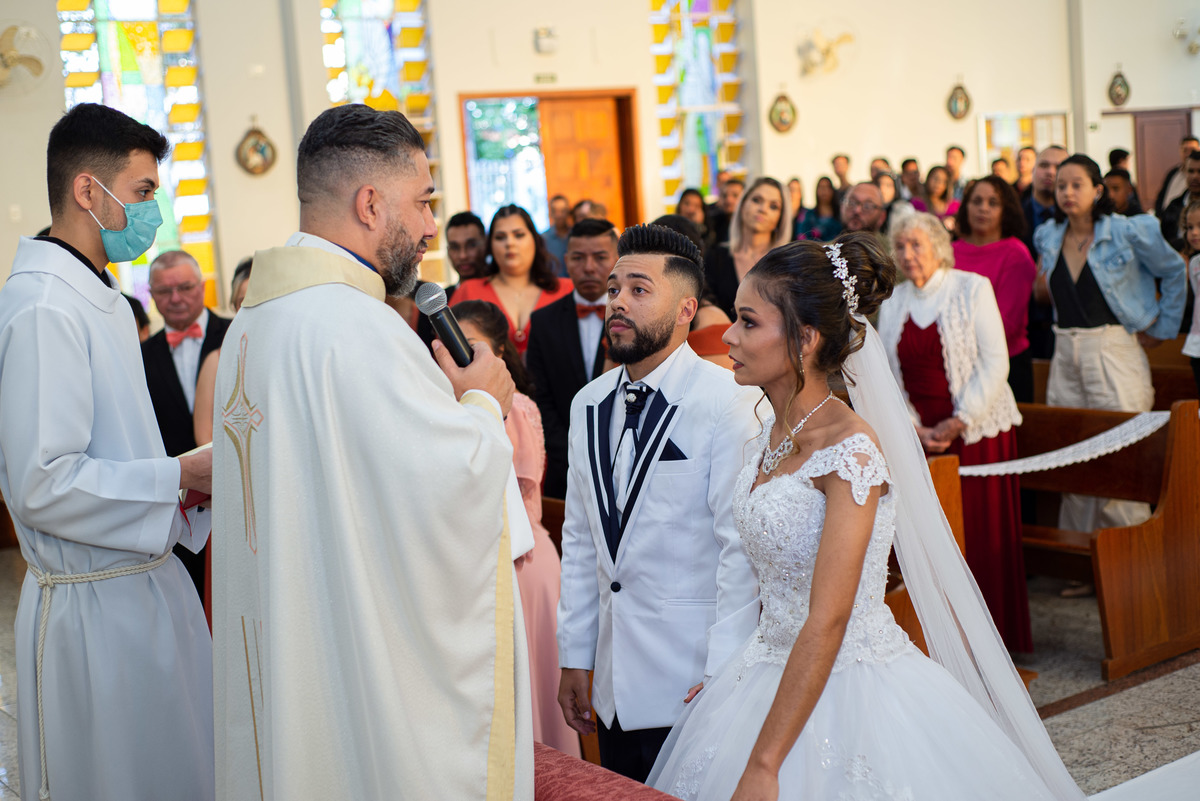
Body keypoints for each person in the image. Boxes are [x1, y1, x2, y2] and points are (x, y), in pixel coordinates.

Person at [647, 232, 1084, 801]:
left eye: (748, 322)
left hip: (850, 677)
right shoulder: (768, 434)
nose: (728, 335)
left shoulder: (849, 451)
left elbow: (829, 618)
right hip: (763, 665)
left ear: (805, 338)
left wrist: (765, 764)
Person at [211, 104, 532, 799]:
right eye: (422, 202)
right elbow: (445, 490)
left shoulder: (251, 323)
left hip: (293, 633)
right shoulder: (357, 327)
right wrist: (483, 403)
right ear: (369, 203)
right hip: (351, 655)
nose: (429, 227)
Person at [0, 102, 214, 801]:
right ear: (89, 191)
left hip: (143, 587)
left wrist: (188, 486)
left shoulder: (101, 297)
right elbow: (41, 482)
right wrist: (178, 474)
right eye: (143, 191)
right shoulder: (43, 306)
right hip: (92, 612)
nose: (152, 210)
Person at [557, 224, 760, 783]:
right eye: (614, 288)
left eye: (638, 290)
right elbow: (580, 538)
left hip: (690, 679)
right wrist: (575, 654)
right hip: (612, 684)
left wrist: (724, 671)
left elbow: (738, 549)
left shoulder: (727, 401)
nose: (617, 301)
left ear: (685, 309)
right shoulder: (587, 403)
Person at [882, 213, 1031, 652]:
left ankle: (992, 639)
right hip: (921, 436)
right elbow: (887, 373)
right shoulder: (894, 301)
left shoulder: (971, 288)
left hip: (977, 433)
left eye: (917, 244)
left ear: (938, 246)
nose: (908, 254)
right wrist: (914, 426)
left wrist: (960, 419)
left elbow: (995, 362)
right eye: (901, 246)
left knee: (979, 534)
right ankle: (944, 638)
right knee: (934, 537)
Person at [1033, 154, 1185, 550]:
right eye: (1061, 185)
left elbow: (1174, 270)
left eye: (1076, 184)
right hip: (1065, 351)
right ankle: (1079, 560)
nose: (1067, 192)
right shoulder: (1048, 234)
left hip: (1113, 349)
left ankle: (1129, 562)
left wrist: (1162, 329)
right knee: (1072, 457)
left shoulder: (1127, 230)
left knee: (1121, 456)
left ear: (1097, 190)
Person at [453, 299, 582, 758]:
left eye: (469, 346)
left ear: (500, 353)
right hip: (481, 563)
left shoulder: (517, 409)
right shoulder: (449, 409)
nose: (457, 356)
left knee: (531, 690)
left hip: (521, 562)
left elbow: (516, 489)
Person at [141, 249, 230, 598]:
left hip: (237, 493)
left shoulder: (236, 334)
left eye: (185, 287)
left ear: (202, 286)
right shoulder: (141, 356)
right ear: (151, 295)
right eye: (164, 291)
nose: (175, 298)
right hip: (178, 508)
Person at [526, 218, 619, 500]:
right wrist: (571, 454)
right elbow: (539, 398)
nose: (589, 267)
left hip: (624, 465)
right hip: (564, 470)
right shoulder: (543, 321)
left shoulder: (635, 317)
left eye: (600, 257)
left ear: (617, 259)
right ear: (566, 260)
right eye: (578, 258)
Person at [953, 176, 1038, 402]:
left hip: (1005, 365)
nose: (983, 208)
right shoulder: (949, 252)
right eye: (976, 201)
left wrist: (953, 337)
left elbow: (1007, 323)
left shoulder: (1016, 253)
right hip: (955, 365)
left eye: (993, 203)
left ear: (1006, 210)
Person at [451, 204, 573, 354]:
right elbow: (446, 349)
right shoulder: (468, 291)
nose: (509, 243)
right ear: (490, 245)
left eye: (519, 235)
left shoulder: (566, 290)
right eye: (500, 237)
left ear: (535, 239)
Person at [705, 177, 792, 318]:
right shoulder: (714, 257)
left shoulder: (787, 265)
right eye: (756, 200)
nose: (763, 209)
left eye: (773, 206)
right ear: (742, 204)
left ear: (780, 218)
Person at [1021, 145, 1068, 360]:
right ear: (1033, 170)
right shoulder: (1013, 215)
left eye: (1058, 166)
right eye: (1044, 165)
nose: (1050, 172)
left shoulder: (1079, 221)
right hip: (1024, 324)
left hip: (1066, 326)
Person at [1160, 149, 1200, 253]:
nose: (1195, 177)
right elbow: (1163, 241)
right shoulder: (1174, 206)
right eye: (1191, 171)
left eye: (1199, 172)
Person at [1153, 135, 1200, 217]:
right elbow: (1161, 198)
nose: (1188, 154)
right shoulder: (1173, 173)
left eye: (1192, 150)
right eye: (1185, 150)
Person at [1181, 200, 1200, 394]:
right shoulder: (1195, 263)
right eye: (1190, 227)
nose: (1194, 233)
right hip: (1197, 345)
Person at [793, 176, 844, 242]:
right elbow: (801, 237)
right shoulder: (808, 215)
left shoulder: (840, 215)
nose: (824, 191)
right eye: (821, 187)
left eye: (827, 187)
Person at [911, 165, 959, 229]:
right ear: (928, 179)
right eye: (936, 178)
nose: (938, 183)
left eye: (943, 181)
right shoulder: (917, 204)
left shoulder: (955, 206)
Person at [446, 209, 488, 283]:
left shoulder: (504, 288)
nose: (463, 256)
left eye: (471, 245)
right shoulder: (444, 291)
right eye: (455, 247)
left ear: (486, 244)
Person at [677, 187, 717, 255]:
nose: (690, 209)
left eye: (696, 206)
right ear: (679, 205)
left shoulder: (708, 232)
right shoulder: (670, 226)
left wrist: (698, 226)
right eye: (686, 203)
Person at [707, 177, 744, 245]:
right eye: (724, 195)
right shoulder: (713, 222)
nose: (728, 200)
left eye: (735, 195)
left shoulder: (749, 226)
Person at [543, 193, 572, 274]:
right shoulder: (544, 238)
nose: (559, 215)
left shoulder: (577, 236)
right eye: (555, 211)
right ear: (550, 213)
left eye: (562, 211)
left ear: (568, 212)